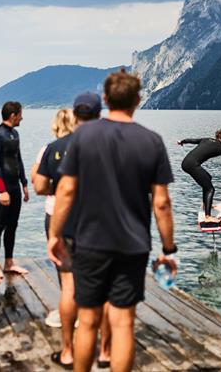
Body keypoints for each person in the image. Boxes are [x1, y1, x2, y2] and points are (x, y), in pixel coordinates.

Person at [48, 69, 177, 372]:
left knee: (88, 320)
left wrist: (55, 235)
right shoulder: (152, 141)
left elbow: (65, 190)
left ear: (105, 99)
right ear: (138, 100)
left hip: (89, 242)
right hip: (132, 246)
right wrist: (169, 249)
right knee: (122, 324)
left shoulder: (83, 136)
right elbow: (161, 203)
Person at [35, 96, 110, 369]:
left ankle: (67, 351)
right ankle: (104, 350)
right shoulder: (109, 146)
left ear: (76, 115)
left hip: (65, 222)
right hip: (100, 225)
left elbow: (42, 186)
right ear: (99, 114)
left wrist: (54, 233)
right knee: (102, 289)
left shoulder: (55, 147)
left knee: (68, 286)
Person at [30, 108, 75, 330]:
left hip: (56, 214)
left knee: (65, 274)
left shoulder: (48, 150)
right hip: (88, 215)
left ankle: (67, 315)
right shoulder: (90, 147)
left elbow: (37, 184)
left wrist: (53, 188)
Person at [0, 101, 30, 278]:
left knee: (12, 225)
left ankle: (9, 262)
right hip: (0, 186)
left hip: (14, 186)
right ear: (13, 115)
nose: (22, 117)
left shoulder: (15, 134)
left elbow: (18, 160)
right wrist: (2, 190)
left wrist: (24, 184)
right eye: (21, 114)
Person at [177, 129, 221, 223]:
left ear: (217, 136)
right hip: (192, 165)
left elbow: (192, 140)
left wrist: (182, 141)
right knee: (210, 189)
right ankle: (208, 217)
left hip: (185, 162)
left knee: (208, 178)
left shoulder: (206, 139)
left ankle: (206, 204)